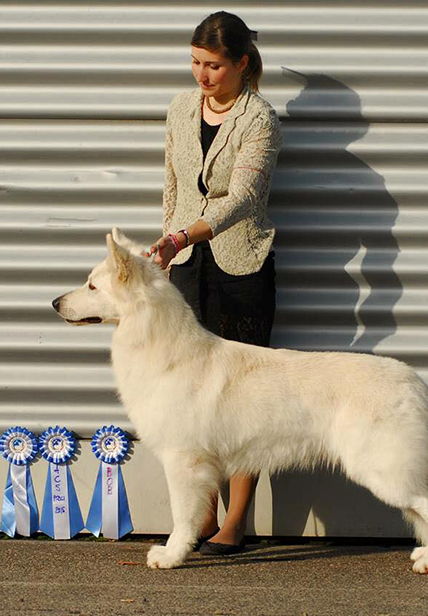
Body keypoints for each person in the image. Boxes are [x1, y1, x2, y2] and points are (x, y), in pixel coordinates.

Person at [145, 11, 282, 555]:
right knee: (189, 397)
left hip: (241, 264)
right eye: (195, 62)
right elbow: (172, 182)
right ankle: (197, 515)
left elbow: (243, 197)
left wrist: (184, 235)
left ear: (242, 63)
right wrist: (165, 245)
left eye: (214, 65)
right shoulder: (181, 107)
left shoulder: (260, 119)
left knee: (243, 396)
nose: (202, 75)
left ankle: (236, 520)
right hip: (183, 265)